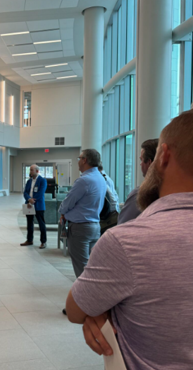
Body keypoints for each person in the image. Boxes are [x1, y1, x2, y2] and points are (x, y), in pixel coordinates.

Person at [64, 112, 193, 368]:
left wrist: (104, 310)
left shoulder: (128, 243)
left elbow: (76, 309)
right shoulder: (102, 181)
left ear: (164, 156)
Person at [58, 149, 106, 278]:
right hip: (94, 226)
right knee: (91, 265)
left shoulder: (84, 180)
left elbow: (68, 202)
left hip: (80, 229)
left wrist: (62, 212)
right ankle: (93, 293)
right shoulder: (100, 178)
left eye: (79, 158)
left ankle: (85, 296)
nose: (78, 161)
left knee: (82, 268)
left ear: (84, 160)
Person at [117, 139, 158, 224]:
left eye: (141, 160)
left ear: (149, 163)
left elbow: (122, 227)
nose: (140, 164)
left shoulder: (141, 194)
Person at [21, 165, 48, 249]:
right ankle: (29, 240)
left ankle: (43, 242)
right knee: (29, 223)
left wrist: (33, 200)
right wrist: (29, 199)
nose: (30, 172)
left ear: (37, 171)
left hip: (38, 205)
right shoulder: (29, 181)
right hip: (29, 205)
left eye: (32, 170)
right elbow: (25, 192)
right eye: (30, 170)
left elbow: (41, 192)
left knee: (41, 223)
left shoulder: (42, 180)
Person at [96, 165, 120, 235]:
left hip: (108, 219)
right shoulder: (107, 178)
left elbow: (113, 200)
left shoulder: (103, 181)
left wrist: (109, 214)